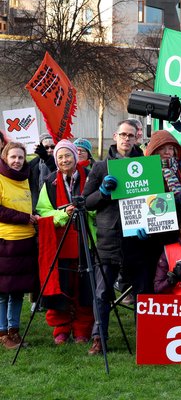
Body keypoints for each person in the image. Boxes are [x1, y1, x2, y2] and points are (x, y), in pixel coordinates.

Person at [83, 119, 144, 355]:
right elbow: (86, 203)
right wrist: (102, 192)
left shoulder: (145, 164)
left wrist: (149, 224)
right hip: (109, 237)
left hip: (137, 239)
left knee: (140, 290)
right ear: (115, 136)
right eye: (123, 135)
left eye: (131, 136)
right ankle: (99, 338)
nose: (127, 139)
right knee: (102, 292)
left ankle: (144, 336)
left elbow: (156, 199)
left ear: (136, 138)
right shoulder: (100, 168)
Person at [36, 140, 94, 345]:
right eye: (60, 157)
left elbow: (98, 204)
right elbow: (42, 212)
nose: (64, 160)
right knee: (62, 286)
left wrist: (87, 208)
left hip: (87, 240)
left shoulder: (89, 176)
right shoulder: (50, 181)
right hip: (60, 243)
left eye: (67, 155)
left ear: (75, 157)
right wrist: (63, 213)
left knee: (85, 288)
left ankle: (82, 329)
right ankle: (61, 329)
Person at [135, 130, 181, 291]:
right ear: (154, 150)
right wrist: (175, 200)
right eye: (163, 148)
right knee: (155, 273)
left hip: (179, 229)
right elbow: (144, 200)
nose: (168, 152)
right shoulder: (147, 171)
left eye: (171, 148)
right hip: (155, 233)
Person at [0, 142, 38, 349]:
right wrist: (24, 218)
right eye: (13, 157)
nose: (17, 161)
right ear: (5, 157)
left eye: (21, 157)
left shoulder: (25, 178)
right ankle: (2, 332)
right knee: (2, 292)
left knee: (17, 291)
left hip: (25, 242)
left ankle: (14, 331)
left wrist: (33, 218)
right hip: (5, 242)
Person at [29, 133, 57, 209]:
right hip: (38, 203)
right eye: (46, 147)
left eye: (52, 147)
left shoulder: (61, 161)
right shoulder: (33, 164)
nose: (50, 150)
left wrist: (46, 158)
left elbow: (58, 171)